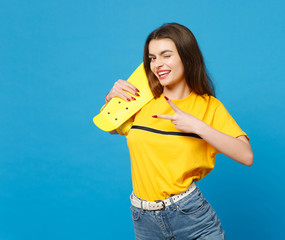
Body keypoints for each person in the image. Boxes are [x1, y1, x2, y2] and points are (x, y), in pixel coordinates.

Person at [104, 23, 253, 240]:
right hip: (144, 221)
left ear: (186, 56)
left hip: (191, 217)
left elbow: (246, 155)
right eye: (152, 58)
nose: (158, 64)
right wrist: (112, 101)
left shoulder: (208, 106)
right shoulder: (141, 101)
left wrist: (197, 126)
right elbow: (112, 129)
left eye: (166, 55)